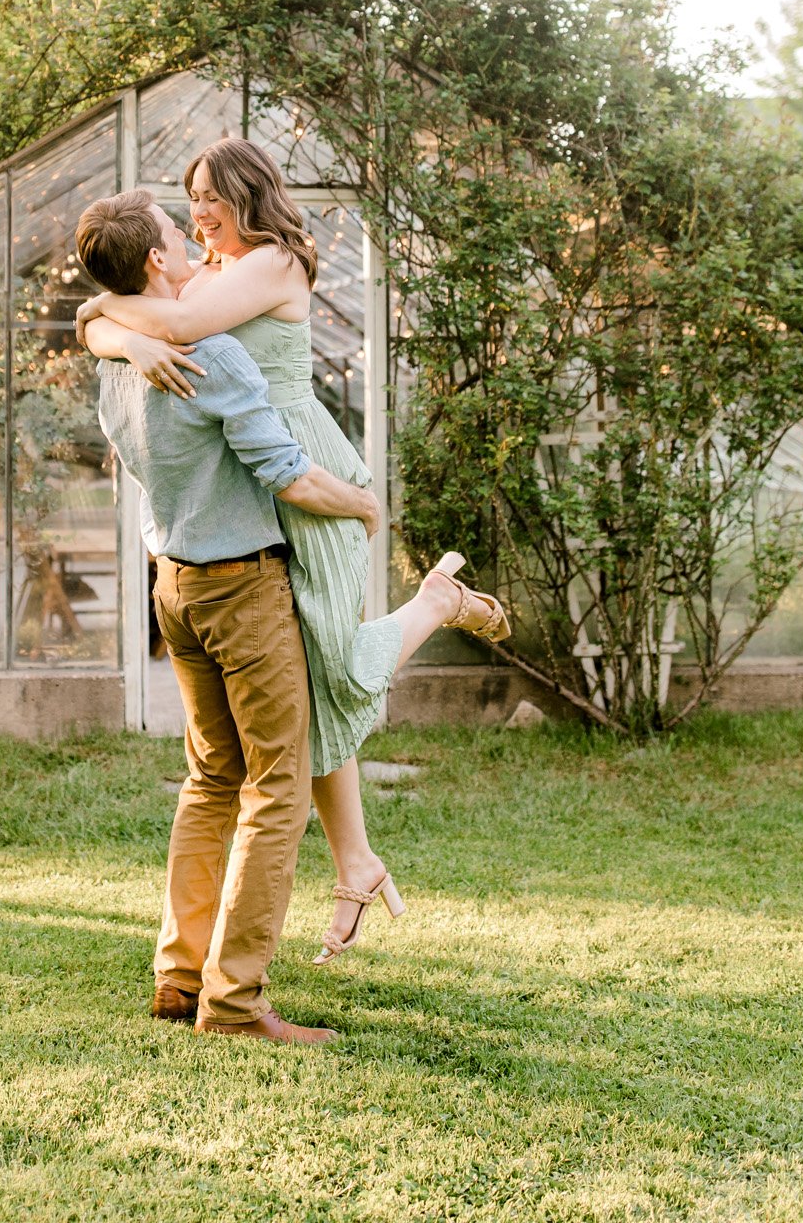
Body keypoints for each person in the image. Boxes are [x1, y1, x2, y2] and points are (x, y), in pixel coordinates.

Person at [78, 139, 509, 966]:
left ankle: (436, 604)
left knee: (333, 666)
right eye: (190, 198)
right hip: (250, 470)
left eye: (212, 196)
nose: (200, 211)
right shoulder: (202, 271)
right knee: (308, 670)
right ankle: (354, 861)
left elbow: (163, 319)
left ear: (249, 194)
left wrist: (116, 325)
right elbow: (120, 313)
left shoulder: (273, 262)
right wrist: (115, 333)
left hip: (298, 466)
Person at [75, 188, 378, 1044]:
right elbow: (288, 474)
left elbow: (96, 324)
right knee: (276, 787)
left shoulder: (116, 362)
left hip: (172, 588)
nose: (193, 238)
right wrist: (360, 504)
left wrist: (119, 328)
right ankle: (236, 1003)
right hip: (241, 590)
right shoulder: (214, 356)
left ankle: (179, 976)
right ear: (157, 264)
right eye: (179, 231)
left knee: (211, 779)